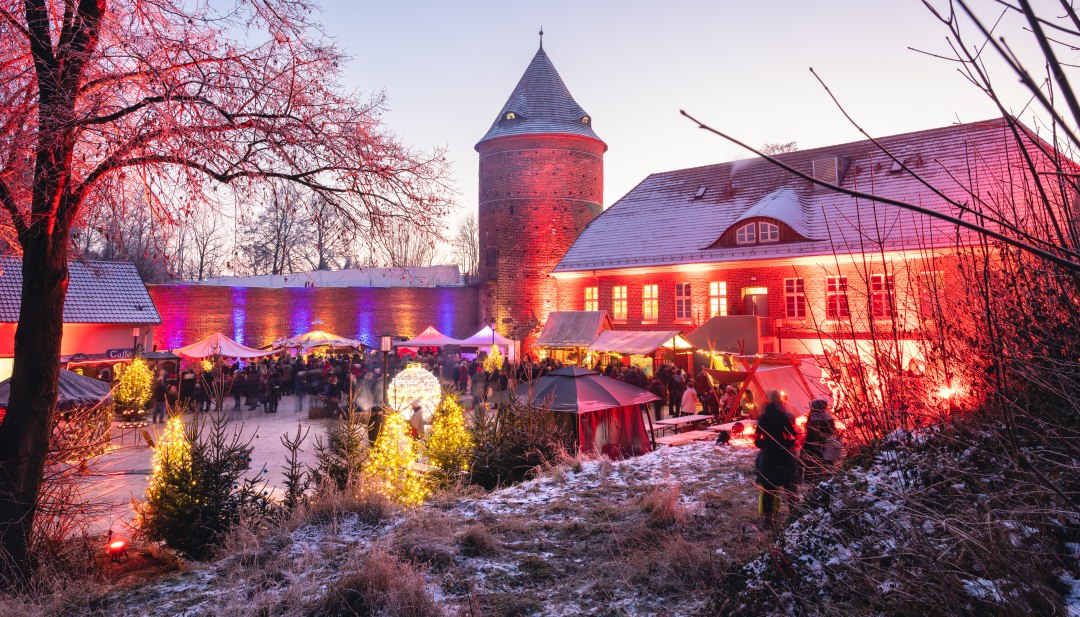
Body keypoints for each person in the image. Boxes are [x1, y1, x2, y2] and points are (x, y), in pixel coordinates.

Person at [754, 390, 799, 531]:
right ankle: (795, 515)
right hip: (783, 454)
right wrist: (787, 445)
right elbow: (792, 434)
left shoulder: (763, 418)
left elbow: (757, 438)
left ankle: (768, 520)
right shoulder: (782, 416)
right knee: (790, 486)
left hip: (768, 458)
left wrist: (763, 445)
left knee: (769, 488)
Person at [801, 399, 839, 482]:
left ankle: (811, 481)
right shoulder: (828, 417)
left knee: (811, 466)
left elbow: (810, 435)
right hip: (826, 446)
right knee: (826, 466)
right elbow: (831, 431)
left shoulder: (813, 418)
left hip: (813, 446)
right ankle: (827, 481)